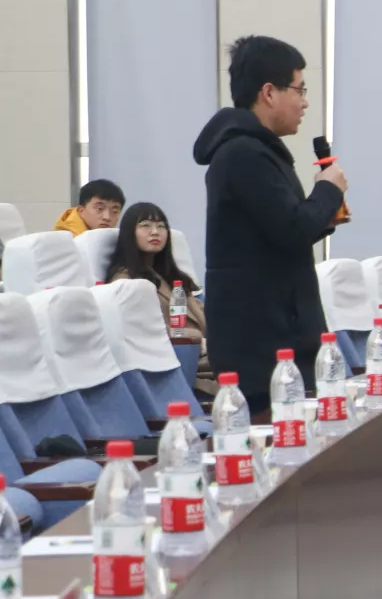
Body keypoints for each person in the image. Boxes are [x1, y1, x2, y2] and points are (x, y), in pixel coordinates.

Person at [193, 35, 347, 415]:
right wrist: (327, 191)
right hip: (262, 348)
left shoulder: (258, 149)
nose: (305, 102)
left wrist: (322, 210)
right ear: (268, 93)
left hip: (278, 337)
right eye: (299, 89)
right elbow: (292, 229)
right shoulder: (243, 153)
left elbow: (277, 230)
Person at [106, 202, 215, 394]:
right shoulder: (125, 280)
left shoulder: (174, 278)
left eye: (161, 226)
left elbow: (204, 316)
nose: (155, 232)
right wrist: (197, 338)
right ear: (129, 234)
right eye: (145, 225)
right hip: (179, 365)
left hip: (208, 358)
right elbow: (141, 330)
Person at [54, 179, 125, 236]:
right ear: (81, 211)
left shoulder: (114, 239)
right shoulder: (64, 241)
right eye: (99, 208)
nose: (107, 217)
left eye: (115, 211)